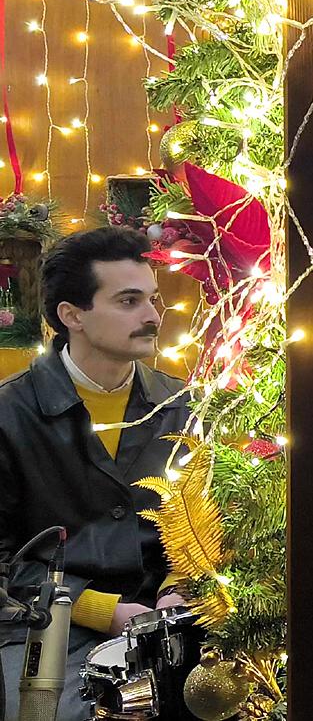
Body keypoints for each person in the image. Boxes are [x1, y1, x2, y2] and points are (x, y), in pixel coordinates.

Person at [0, 228, 191, 721]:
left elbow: (203, 526)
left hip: (168, 616)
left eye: (152, 298)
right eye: (129, 301)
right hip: (43, 624)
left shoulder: (182, 406)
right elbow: (3, 562)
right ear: (72, 315)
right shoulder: (9, 413)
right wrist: (102, 611)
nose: (153, 316)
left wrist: (179, 588)